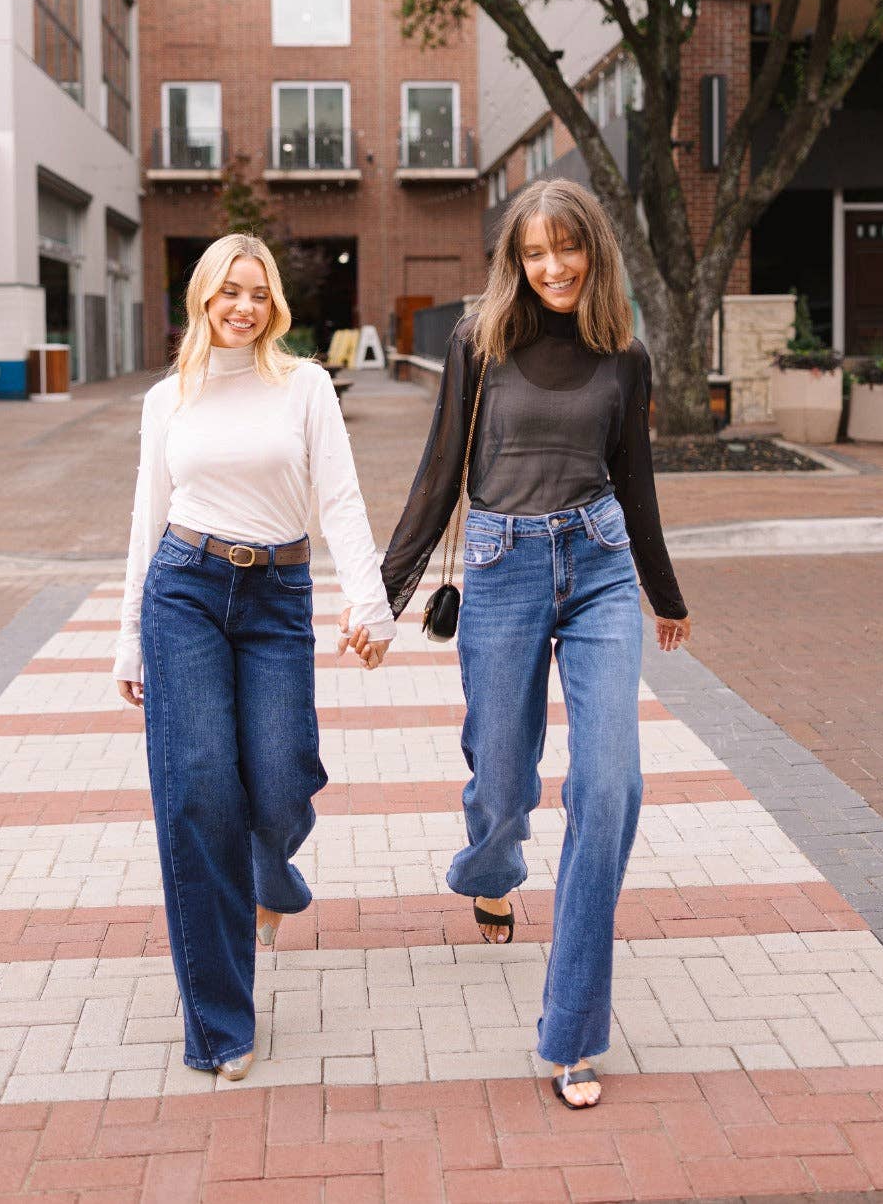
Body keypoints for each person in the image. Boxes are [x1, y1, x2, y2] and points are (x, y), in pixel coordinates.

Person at [348, 178, 690, 1110]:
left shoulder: (624, 354)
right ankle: (492, 868)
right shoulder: (477, 341)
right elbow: (435, 473)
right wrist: (382, 598)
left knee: (609, 785)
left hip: (601, 569)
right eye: (534, 253)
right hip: (499, 569)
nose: (552, 268)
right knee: (502, 775)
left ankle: (571, 1033)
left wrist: (663, 591)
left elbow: (636, 482)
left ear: (593, 250)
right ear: (513, 259)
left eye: (566, 250)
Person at [114, 233, 395, 1081]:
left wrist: (368, 598)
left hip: (276, 596)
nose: (243, 306)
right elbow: (146, 514)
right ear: (201, 298)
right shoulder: (167, 400)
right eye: (227, 291)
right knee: (198, 792)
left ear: (274, 302)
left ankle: (271, 874)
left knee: (277, 784)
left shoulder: (303, 386)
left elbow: (337, 496)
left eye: (258, 292)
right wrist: (128, 632)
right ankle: (219, 1025)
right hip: (184, 590)